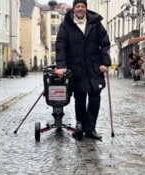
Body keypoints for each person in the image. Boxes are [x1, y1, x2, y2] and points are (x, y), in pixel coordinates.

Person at [55, 0, 111, 140]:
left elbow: (105, 43)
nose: (80, 9)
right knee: (79, 98)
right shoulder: (66, 25)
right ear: (74, 9)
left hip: (95, 67)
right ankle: (80, 125)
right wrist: (61, 66)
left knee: (94, 99)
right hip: (76, 67)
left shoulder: (95, 23)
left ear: (86, 8)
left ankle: (90, 129)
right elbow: (61, 46)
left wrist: (105, 63)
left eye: (83, 6)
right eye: (78, 6)